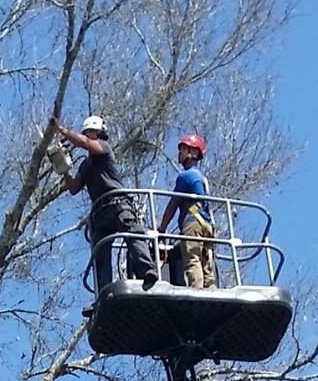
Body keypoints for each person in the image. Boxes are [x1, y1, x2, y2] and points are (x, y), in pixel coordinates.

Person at [48, 114, 158, 290]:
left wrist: (61, 130)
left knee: (134, 235)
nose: (88, 135)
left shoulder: (104, 149)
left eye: (90, 131)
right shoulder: (86, 165)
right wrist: (64, 168)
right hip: (100, 212)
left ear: (99, 132)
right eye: (86, 132)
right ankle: (103, 292)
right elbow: (74, 188)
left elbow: (85, 144)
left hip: (118, 204)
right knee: (100, 253)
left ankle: (148, 271)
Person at [157, 133, 216, 288]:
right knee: (206, 262)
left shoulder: (186, 176)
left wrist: (162, 229)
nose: (180, 153)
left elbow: (173, 204)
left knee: (192, 259)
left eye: (184, 149)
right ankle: (211, 289)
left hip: (193, 224)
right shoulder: (202, 178)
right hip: (208, 225)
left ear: (194, 153)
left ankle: (198, 292)